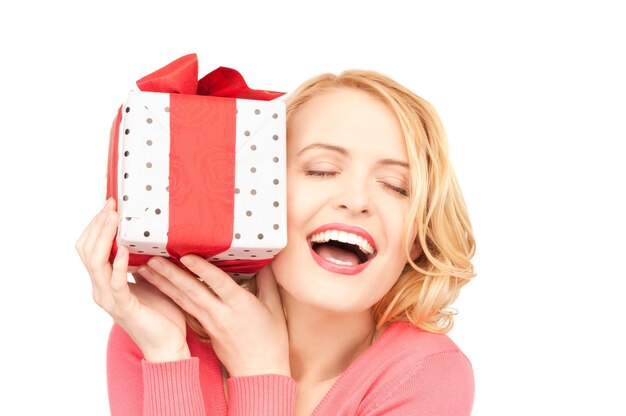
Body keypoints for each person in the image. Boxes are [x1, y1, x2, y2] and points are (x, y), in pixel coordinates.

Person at [76, 69, 476, 415]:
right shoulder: (155, 333)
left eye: (396, 186)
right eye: (321, 170)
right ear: (253, 192)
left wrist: (261, 376)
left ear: (419, 238)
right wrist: (167, 357)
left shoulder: (425, 374)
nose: (356, 200)